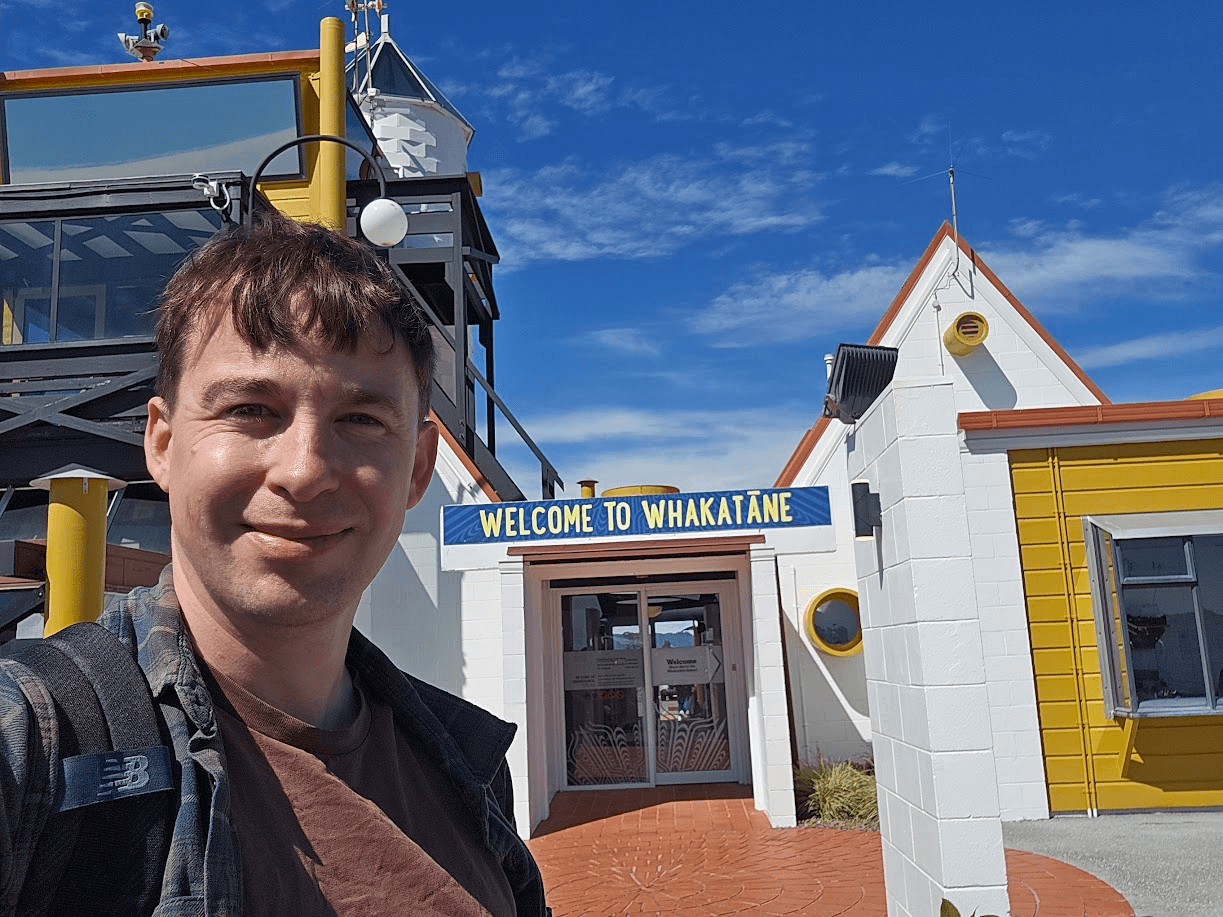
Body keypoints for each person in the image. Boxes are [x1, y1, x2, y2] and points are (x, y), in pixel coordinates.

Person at [0, 210, 548, 916]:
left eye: (360, 419)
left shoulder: (467, 760)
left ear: (415, 470)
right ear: (162, 444)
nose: (305, 470)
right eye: (252, 409)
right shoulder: (39, 739)